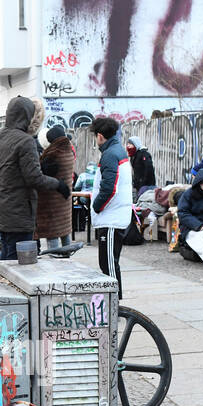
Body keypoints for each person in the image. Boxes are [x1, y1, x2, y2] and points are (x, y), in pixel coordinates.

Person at [0, 96, 68, 260]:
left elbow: (10, 171)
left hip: (1, 211)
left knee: (7, 260)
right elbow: (34, 178)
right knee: (18, 266)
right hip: (19, 213)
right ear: (27, 116)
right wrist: (58, 184)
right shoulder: (25, 141)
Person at [90, 116, 134, 298]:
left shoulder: (109, 154)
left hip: (111, 218)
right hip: (116, 216)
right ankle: (113, 304)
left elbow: (109, 188)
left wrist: (96, 206)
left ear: (100, 136)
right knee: (109, 263)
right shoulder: (117, 151)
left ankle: (114, 304)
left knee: (108, 264)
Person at [36, 124, 77, 253]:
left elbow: (42, 173)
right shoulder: (68, 151)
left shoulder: (53, 154)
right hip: (64, 199)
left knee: (52, 232)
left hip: (52, 201)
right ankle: (68, 257)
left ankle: (54, 259)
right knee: (64, 231)